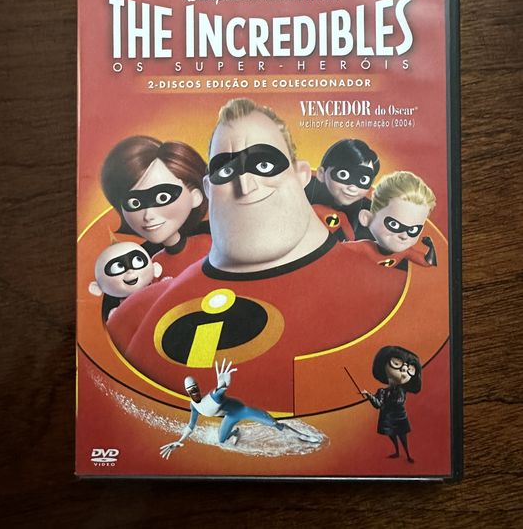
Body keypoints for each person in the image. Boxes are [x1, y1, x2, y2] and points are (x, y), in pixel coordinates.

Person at [107, 99, 405, 412]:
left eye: (263, 166)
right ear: (207, 188)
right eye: (226, 170)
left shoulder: (391, 292)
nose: (246, 185)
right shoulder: (136, 316)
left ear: (301, 175)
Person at [101, 136, 211, 276]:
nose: (148, 215)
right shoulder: (152, 263)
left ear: (195, 196)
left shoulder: (209, 243)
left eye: (162, 197)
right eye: (134, 203)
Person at [159, 360, 316, 457]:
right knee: (221, 440)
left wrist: (223, 383)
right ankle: (236, 432)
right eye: (191, 390)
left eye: (195, 388)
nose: (194, 392)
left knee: (274, 424)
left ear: (198, 387)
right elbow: (191, 426)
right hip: (230, 416)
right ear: (187, 392)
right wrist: (179, 441)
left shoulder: (213, 397)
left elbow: (220, 390)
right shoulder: (194, 406)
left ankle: (302, 436)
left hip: (242, 410)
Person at [347, 171, 437, 270]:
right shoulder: (363, 247)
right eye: (394, 224)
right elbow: (338, 249)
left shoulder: (405, 252)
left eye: (413, 230)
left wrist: (431, 246)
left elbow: (427, 262)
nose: (404, 236)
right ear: (366, 218)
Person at [305, 139, 379, 240]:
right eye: (343, 175)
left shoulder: (371, 214)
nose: (352, 188)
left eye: (363, 180)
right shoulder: (303, 190)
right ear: (321, 174)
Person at [362, 345, 422, 463]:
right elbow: (378, 405)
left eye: (410, 369)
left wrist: (385, 403)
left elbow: (398, 401)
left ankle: (408, 454)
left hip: (399, 417)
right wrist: (369, 395)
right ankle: (397, 452)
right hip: (387, 419)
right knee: (392, 435)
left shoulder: (401, 390)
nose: (404, 370)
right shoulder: (382, 391)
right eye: (396, 363)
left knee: (403, 437)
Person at [88, 241, 163, 320]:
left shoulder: (160, 287)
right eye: (117, 267)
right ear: (97, 288)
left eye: (138, 260)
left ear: (156, 268)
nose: (130, 271)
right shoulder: (119, 311)